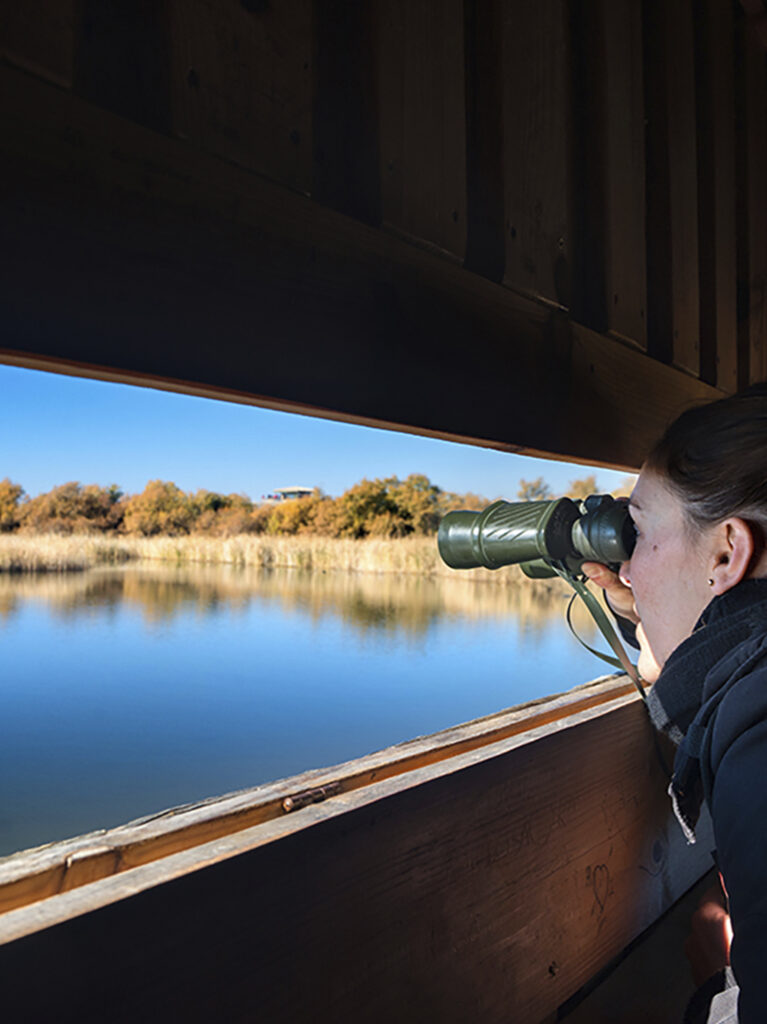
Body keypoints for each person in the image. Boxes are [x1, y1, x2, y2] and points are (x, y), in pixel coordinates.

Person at [581, 384, 767, 1024]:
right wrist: (677, 635)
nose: (626, 570)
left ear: (725, 553)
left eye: (637, 533)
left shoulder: (757, 738)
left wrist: (720, 988)